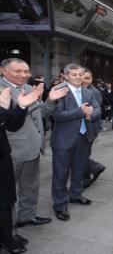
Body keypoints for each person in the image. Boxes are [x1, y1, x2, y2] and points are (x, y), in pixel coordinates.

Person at [0, 58, 68, 232]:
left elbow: (41, 114)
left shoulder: (30, 88)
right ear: (3, 71)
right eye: (18, 71)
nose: (23, 75)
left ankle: (27, 215)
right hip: (11, 152)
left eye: (26, 71)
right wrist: (24, 105)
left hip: (33, 147)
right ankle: (9, 229)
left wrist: (51, 101)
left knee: (30, 186)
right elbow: (9, 121)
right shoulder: (2, 91)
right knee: (6, 194)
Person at [50, 63, 101, 222]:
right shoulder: (58, 92)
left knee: (79, 169)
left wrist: (91, 114)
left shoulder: (88, 92)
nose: (78, 77)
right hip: (63, 140)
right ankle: (59, 205)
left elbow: (98, 109)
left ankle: (76, 194)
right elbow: (56, 116)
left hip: (83, 138)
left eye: (80, 74)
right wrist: (80, 111)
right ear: (65, 76)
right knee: (61, 173)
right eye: (74, 74)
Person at [1, 86, 43, 254]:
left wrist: (20, 107)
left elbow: (11, 125)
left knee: (5, 200)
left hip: (2, 157)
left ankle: (6, 238)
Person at [81, 69, 106, 188]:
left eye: (87, 78)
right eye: (82, 77)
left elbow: (96, 111)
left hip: (89, 128)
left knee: (83, 154)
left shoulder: (94, 92)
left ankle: (91, 171)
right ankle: (91, 170)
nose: (84, 81)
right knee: (81, 154)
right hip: (81, 128)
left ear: (91, 79)